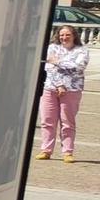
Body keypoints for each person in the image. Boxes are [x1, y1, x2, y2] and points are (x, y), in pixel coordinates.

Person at [40, 25, 88, 162]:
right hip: (51, 88)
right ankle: (46, 150)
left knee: (67, 122)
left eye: (67, 35)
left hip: (72, 90)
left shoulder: (82, 50)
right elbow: (49, 67)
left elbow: (78, 67)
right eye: (62, 35)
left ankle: (67, 152)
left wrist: (58, 62)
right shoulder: (52, 48)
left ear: (74, 36)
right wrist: (60, 84)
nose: (64, 38)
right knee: (47, 121)